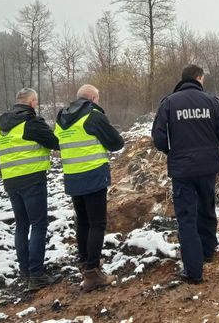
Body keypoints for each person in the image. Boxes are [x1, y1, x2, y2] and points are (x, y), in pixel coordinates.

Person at [151, 64, 219, 284]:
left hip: (182, 170)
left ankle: (194, 270)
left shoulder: (168, 103)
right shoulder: (211, 101)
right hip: (208, 168)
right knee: (207, 208)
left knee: (187, 218)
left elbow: (158, 138)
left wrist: (174, 151)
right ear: (199, 78)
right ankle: (207, 251)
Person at [55, 84, 124, 292]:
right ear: (93, 98)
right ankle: (93, 273)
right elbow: (116, 142)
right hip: (93, 176)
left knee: (83, 222)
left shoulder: (61, 119)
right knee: (97, 223)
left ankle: (85, 263)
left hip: (72, 178)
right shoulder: (92, 115)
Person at [0, 88, 60, 291]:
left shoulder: (1, 126)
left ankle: (25, 270)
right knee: (39, 225)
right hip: (32, 179)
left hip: (10, 182)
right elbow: (56, 142)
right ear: (31, 102)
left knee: (22, 225)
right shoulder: (31, 123)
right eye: (36, 102)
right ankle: (37, 274)